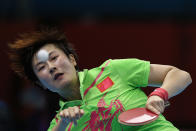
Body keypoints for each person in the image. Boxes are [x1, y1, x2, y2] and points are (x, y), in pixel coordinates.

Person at [8, 28, 192, 131]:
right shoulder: (60, 124)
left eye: (54, 57)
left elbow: (181, 75)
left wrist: (159, 95)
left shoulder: (113, 70)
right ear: (41, 84)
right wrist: (63, 125)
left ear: (72, 59)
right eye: (41, 68)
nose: (51, 67)